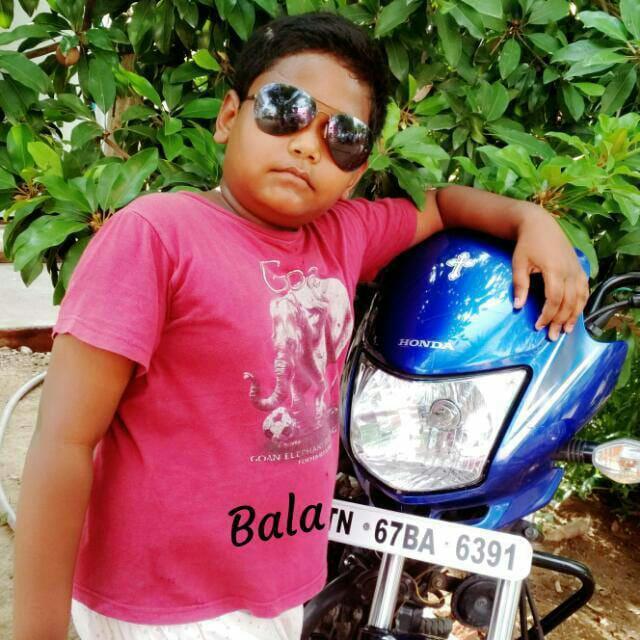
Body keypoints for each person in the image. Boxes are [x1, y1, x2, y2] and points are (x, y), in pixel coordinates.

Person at [12, 11, 589, 640]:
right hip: (163, 605)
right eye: (286, 109)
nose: (309, 145)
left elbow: (441, 205)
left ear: (356, 171)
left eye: (343, 136)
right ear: (228, 117)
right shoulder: (155, 236)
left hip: (277, 591)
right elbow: (63, 443)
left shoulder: (342, 234)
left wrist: (532, 220)